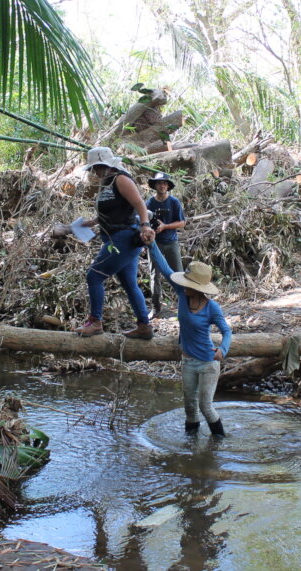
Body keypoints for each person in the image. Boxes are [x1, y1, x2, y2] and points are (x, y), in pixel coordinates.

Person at [146, 239, 232, 436]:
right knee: (190, 408)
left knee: (205, 407)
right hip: (188, 362)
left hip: (208, 363)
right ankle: (191, 449)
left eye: (189, 283)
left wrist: (223, 350)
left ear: (199, 288)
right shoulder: (182, 294)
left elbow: (227, 331)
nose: (183, 285)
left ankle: (219, 443)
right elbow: (165, 267)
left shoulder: (212, 307)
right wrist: (151, 244)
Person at [74, 147, 156, 339]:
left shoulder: (121, 179)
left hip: (124, 237)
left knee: (93, 276)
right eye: (93, 169)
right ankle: (144, 326)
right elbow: (114, 210)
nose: (94, 172)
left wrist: (145, 225)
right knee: (129, 283)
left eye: (96, 167)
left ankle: (95, 322)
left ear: (105, 165)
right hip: (115, 237)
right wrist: (91, 223)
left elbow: (139, 204)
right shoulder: (107, 183)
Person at [145, 172, 186, 319]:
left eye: (164, 183)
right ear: (155, 185)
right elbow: (143, 221)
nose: (162, 186)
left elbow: (182, 223)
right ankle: (156, 308)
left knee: (178, 274)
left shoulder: (174, 202)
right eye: (159, 183)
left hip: (171, 242)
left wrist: (165, 226)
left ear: (168, 186)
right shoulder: (149, 203)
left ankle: (184, 305)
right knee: (154, 275)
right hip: (154, 244)